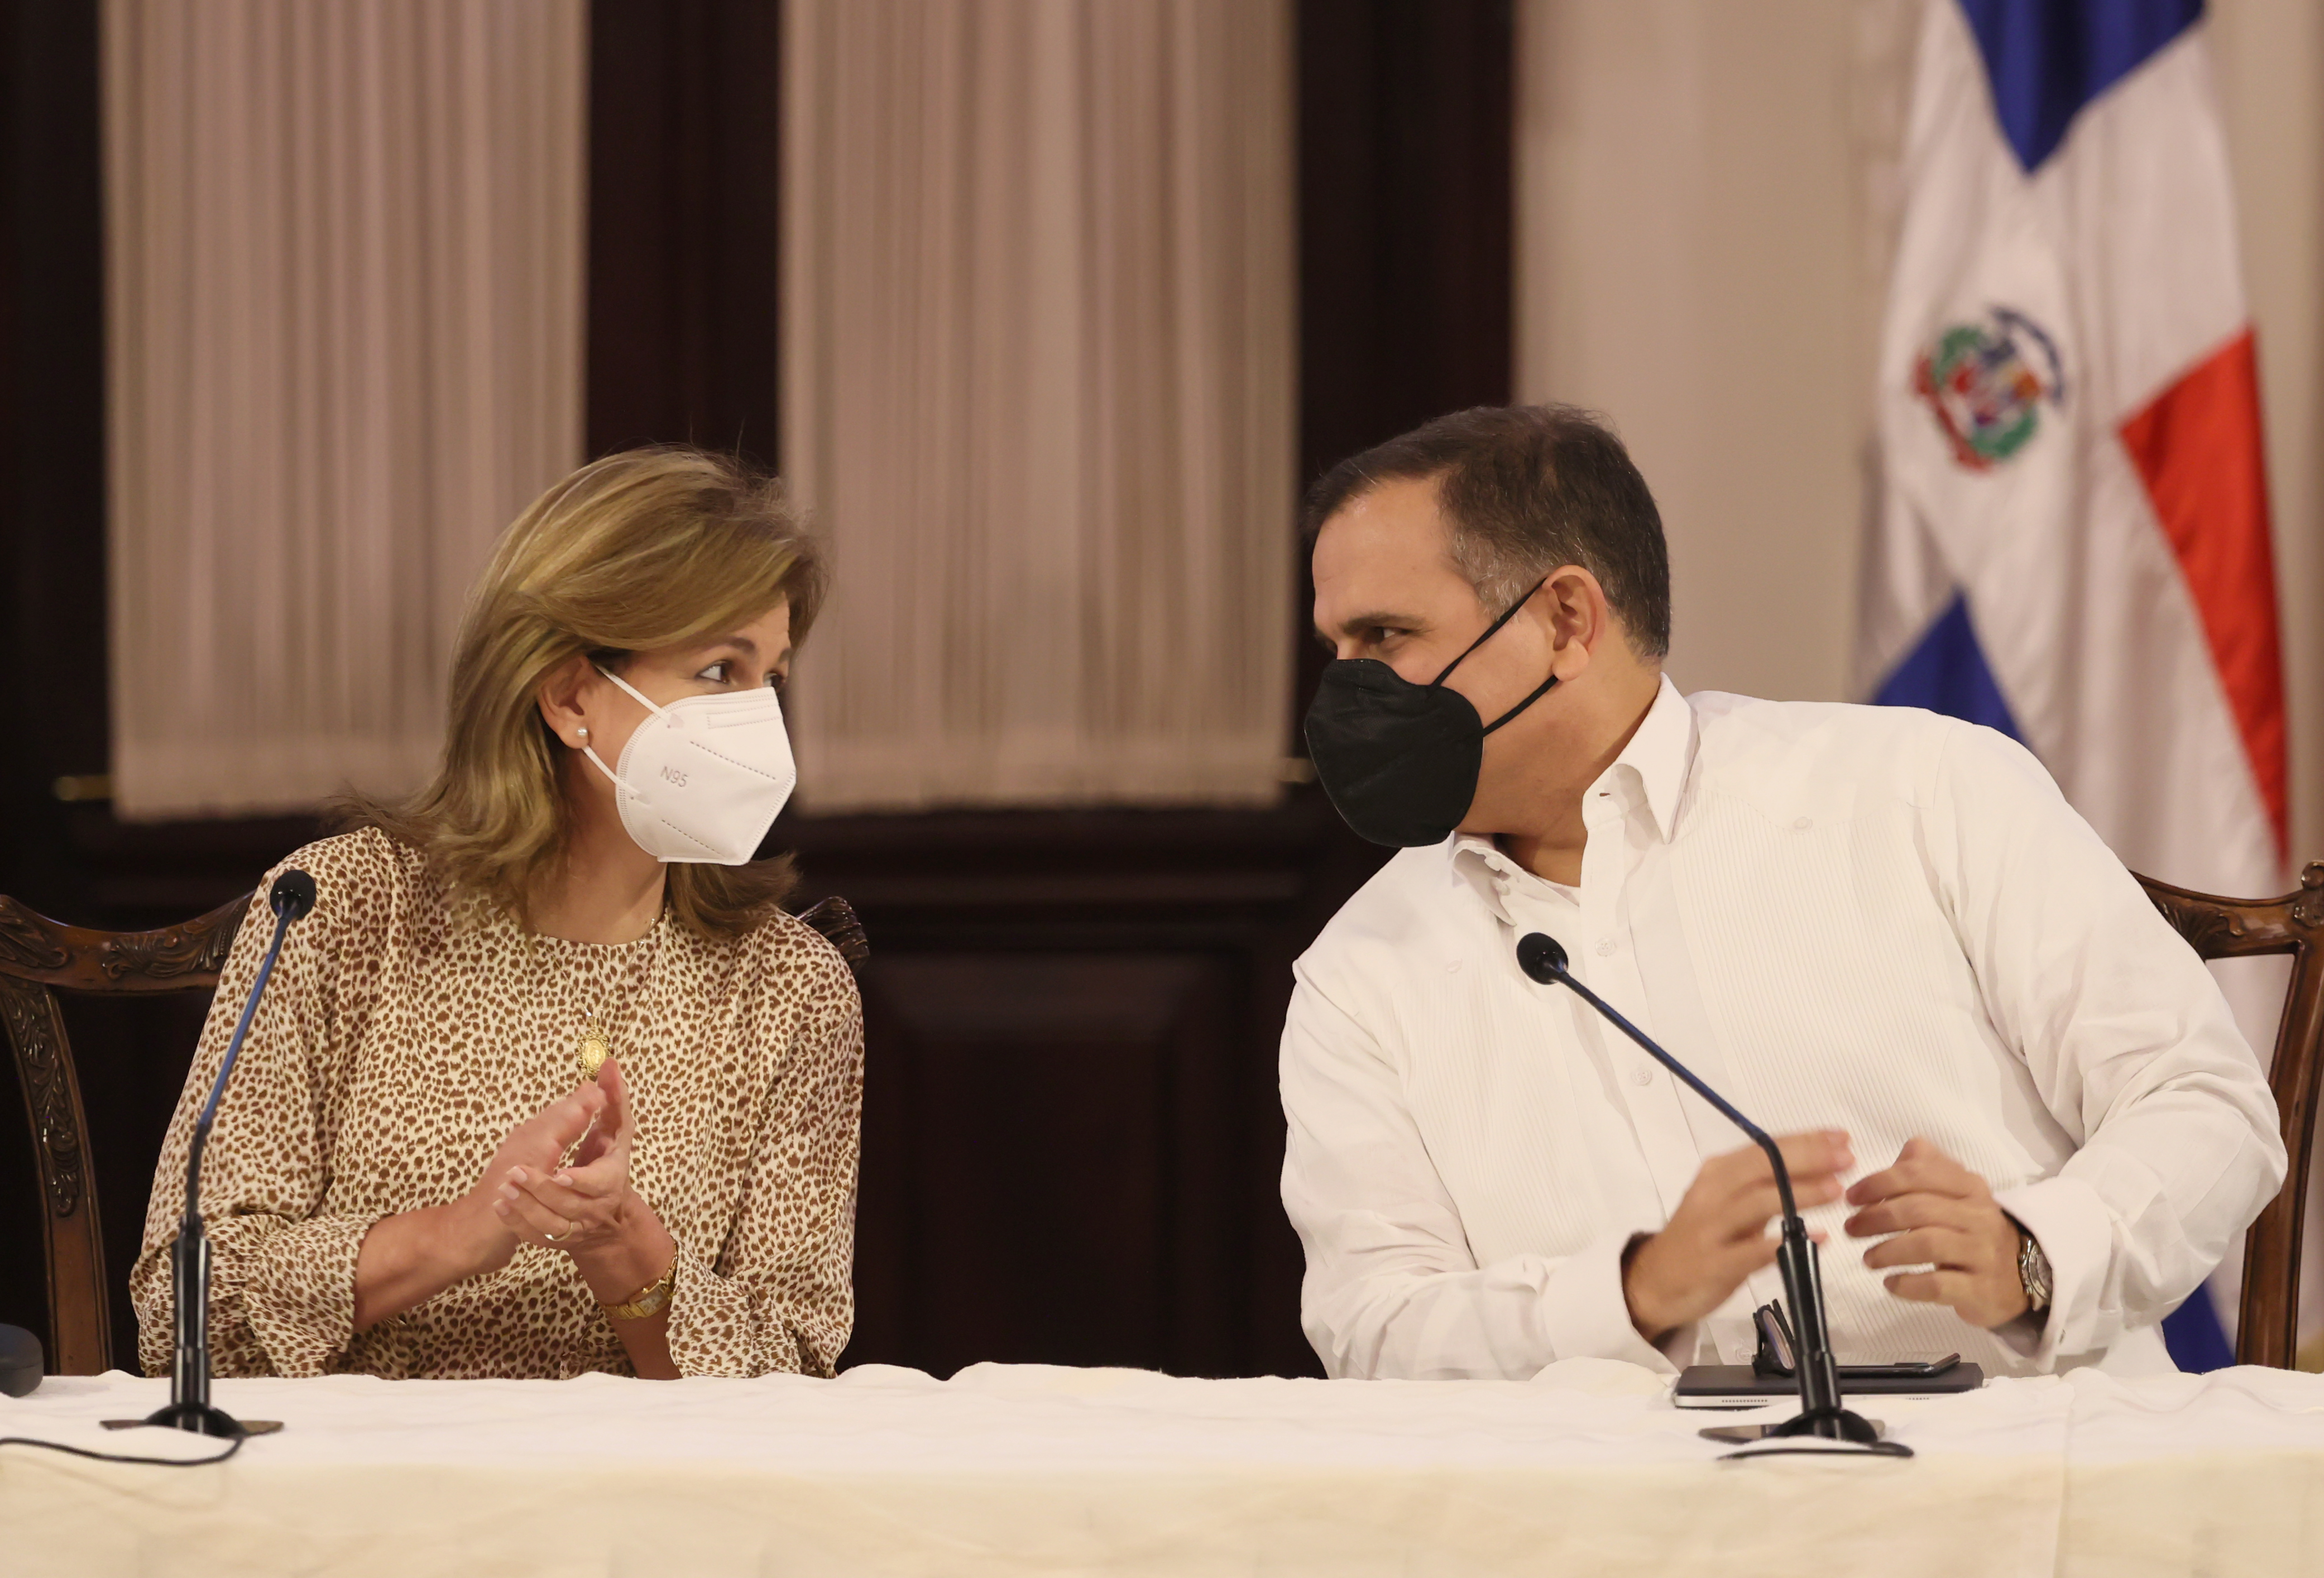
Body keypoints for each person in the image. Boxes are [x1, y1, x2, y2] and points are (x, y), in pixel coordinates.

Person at [1281, 404, 2285, 1380]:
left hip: (2020, 1468)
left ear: (1566, 622)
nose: (1343, 694)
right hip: (1629, 1491)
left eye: (1385, 637)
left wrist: (2038, 1255)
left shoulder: (1925, 791)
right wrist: (1629, 1296)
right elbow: (1372, 1327)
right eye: (1337, 650)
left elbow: (2206, 1103)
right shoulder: (1358, 973)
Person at [131, 448, 861, 1380]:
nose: (759, 724)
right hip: (364, 1467)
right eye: (720, 671)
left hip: (639, 1476)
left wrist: (630, 1256)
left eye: (773, 679)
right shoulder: (345, 910)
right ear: (569, 697)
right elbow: (182, 1309)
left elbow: (796, 1370)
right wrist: (458, 1235)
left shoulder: (792, 989)